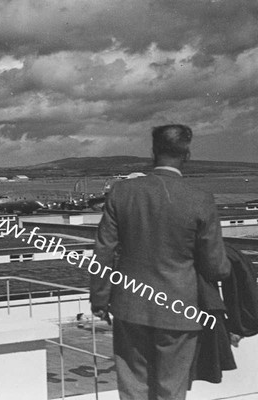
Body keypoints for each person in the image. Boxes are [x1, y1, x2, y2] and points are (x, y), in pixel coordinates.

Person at [90, 124, 231, 400]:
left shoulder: (122, 192)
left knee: (133, 390)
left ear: (153, 151)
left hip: (130, 306)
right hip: (179, 310)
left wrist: (99, 299)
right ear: (186, 154)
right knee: (171, 391)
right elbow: (217, 267)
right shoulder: (201, 200)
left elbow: (103, 253)